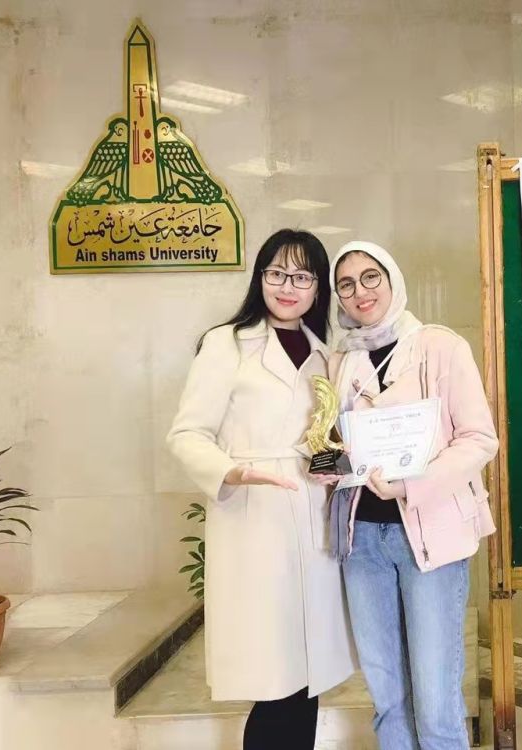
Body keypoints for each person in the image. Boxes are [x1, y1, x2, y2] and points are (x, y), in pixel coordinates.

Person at [166, 229, 355, 750]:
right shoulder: (227, 343)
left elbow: (324, 439)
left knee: (308, 677)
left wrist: (335, 462)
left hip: (312, 521)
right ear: (260, 277)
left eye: (302, 276)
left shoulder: (325, 355)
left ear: (318, 288)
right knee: (273, 680)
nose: (287, 286)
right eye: (277, 273)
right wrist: (233, 472)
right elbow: (187, 434)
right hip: (253, 519)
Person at [320, 240, 498, 750]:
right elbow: (334, 444)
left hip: (431, 537)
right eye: (346, 284)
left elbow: (479, 439)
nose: (360, 291)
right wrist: (327, 464)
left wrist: (411, 485)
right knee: (387, 696)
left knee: (436, 700)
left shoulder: (439, 346)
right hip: (362, 541)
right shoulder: (340, 362)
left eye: (370, 277)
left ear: (392, 279)